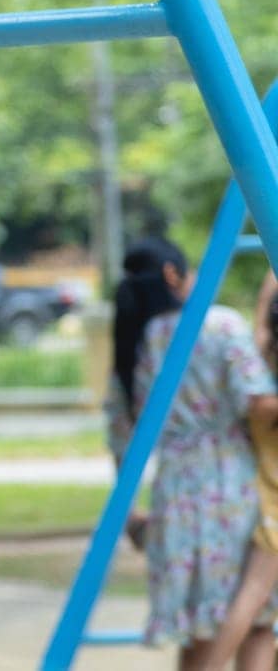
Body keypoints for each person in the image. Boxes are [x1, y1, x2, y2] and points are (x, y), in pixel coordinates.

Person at [105, 238, 278, 670]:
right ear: (172, 274)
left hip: (175, 495)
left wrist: (132, 520)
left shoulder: (134, 344)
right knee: (255, 619)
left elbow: (121, 443)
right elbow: (258, 400)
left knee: (206, 628)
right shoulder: (218, 325)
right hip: (231, 486)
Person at [197, 270, 278, 670]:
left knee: (256, 608)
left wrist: (269, 278)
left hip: (264, 495)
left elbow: (263, 318)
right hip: (273, 508)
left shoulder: (263, 362)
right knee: (251, 600)